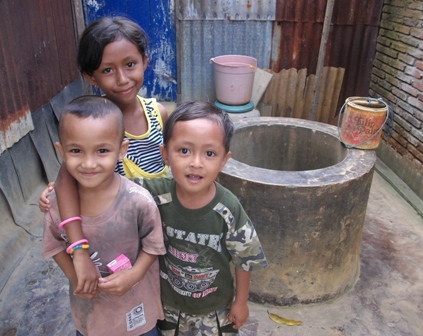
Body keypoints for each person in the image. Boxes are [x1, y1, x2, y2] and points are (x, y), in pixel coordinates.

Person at [41, 101, 268, 335]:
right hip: (167, 308)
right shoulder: (154, 193)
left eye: (209, 153)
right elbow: (100, 184)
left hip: (214, 311)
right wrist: (58, 189)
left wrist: (240, 302)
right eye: (184, 150)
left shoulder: (227, 208)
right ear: (165, 154)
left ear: (224, 159)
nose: (196, 162)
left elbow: (245, 259)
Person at [45, 16, 170, 296]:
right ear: (91, 77)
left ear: (145, 61)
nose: (123, 78)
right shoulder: (88, 128)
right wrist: (78, 250)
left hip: (157, 229)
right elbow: (66, 178)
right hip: (118, 237)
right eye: (107, 70)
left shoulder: (159, 114)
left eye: (130, 64)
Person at [42, 95, 166, 335]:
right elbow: (54, 244)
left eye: (102, 151)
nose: (89, 163)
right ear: (61, 151)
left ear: (121, 150)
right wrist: (76, 278)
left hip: (137, 312)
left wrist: (135, 274)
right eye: (76, 150)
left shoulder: (137, 200)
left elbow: (154, 243)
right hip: (91, 315)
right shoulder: (56, 206)